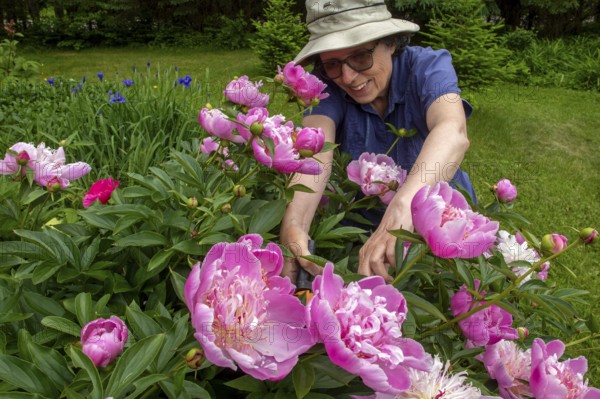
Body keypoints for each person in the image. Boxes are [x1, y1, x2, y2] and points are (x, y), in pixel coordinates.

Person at [280, 0, 476, 283]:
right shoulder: (325, 85)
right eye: (333, 64)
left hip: (443, 228)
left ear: (392, 43)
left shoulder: (428, 67)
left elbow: (453, 130)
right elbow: (315, 152)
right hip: (361, 230)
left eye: (361, 57)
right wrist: (294, 224)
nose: (348, 77)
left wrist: (403, 206)